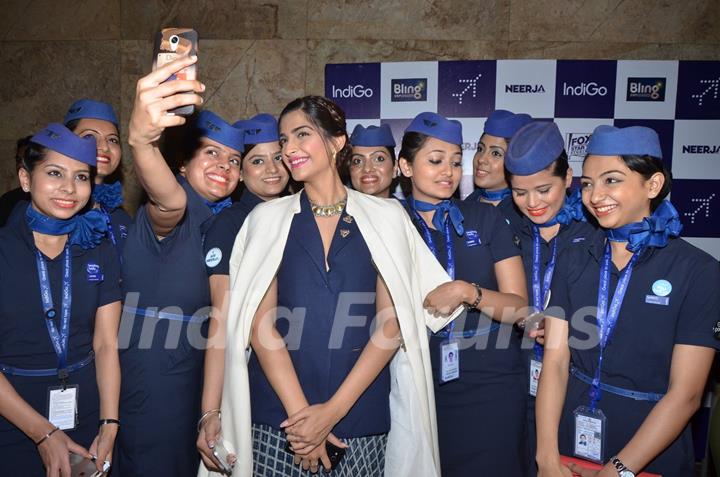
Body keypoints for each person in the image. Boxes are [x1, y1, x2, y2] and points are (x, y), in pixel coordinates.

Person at [197, 96, 463, 477]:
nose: (289, 149)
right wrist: (304, 420)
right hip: (279, 422)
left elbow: (391, 325)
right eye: (284, 139)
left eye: (302, 135)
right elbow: (260, 327)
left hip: (361, 419)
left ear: (337, 141)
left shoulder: (386, 217)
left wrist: (332, 413)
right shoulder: (266, 219)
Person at [536, 125, 720, 477]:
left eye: (612, 180)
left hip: (650, 454)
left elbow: (687, 395)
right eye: (588, 184)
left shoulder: (699, 271)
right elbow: (556, 360)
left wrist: (619, 470)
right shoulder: (573, 257)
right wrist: (546, 456)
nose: (595, 195)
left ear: (652, 185)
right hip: (569, 448)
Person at [117, 56, 242, 477]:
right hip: (155, 374)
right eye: (211, 154)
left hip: (198, 370)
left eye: (233, 161)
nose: (223, 167)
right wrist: (142, 143)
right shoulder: (177, 208)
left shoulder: (223, 222)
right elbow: (166, 200)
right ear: (184, 165)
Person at [398, 111, 529, 476]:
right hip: (418, 378)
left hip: (491, 381)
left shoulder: (484, 219)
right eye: (436, 161)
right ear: (406, 167)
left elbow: (521, 309)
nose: (449, 172)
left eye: (456, 162)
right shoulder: (389, 223)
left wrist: (466, 292)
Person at [0, 123, 121, 476]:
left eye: (81, 177)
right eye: (55, 173)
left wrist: (110, 422)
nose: (69, 188)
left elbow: (106, 344)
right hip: (12, 416)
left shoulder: (98, 247)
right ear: (26, 179)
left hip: (85, 413)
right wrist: (43, 433)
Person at [504, 121, 600, 477]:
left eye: (543, 190)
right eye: (519, 193)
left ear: (569, 177)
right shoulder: (502, 224)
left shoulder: (597, 229)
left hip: (573, 381)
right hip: (511, 377)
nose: (532, 203)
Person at [198, 112, 289, 471]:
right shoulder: (230, 224)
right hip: (251, 377)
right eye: (256, 160)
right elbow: (221, 319)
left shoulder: (299, 215)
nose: (272, 168)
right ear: (241, 173)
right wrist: (211, 410)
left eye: (278, 157)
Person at [64, 99, 133, 252]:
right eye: (90, 137)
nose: (104, 147)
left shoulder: (122, 218)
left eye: (112, 140)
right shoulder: (53, 209)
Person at [464, 109, 532, 227]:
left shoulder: (527, 214)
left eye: (496, 153)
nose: (481, 159)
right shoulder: (461, 209)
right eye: (480, 149)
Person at [346, 124, 398, 198]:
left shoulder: (404, 209)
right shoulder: (337, 209)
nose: (367, 169)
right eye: (357, 161)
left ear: (395, 167)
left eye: (379, 159)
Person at [0, 135, 32, 227]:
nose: (21, 165)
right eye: (18, 160)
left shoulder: (54, 199)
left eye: (26, 159)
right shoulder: (8, 200)